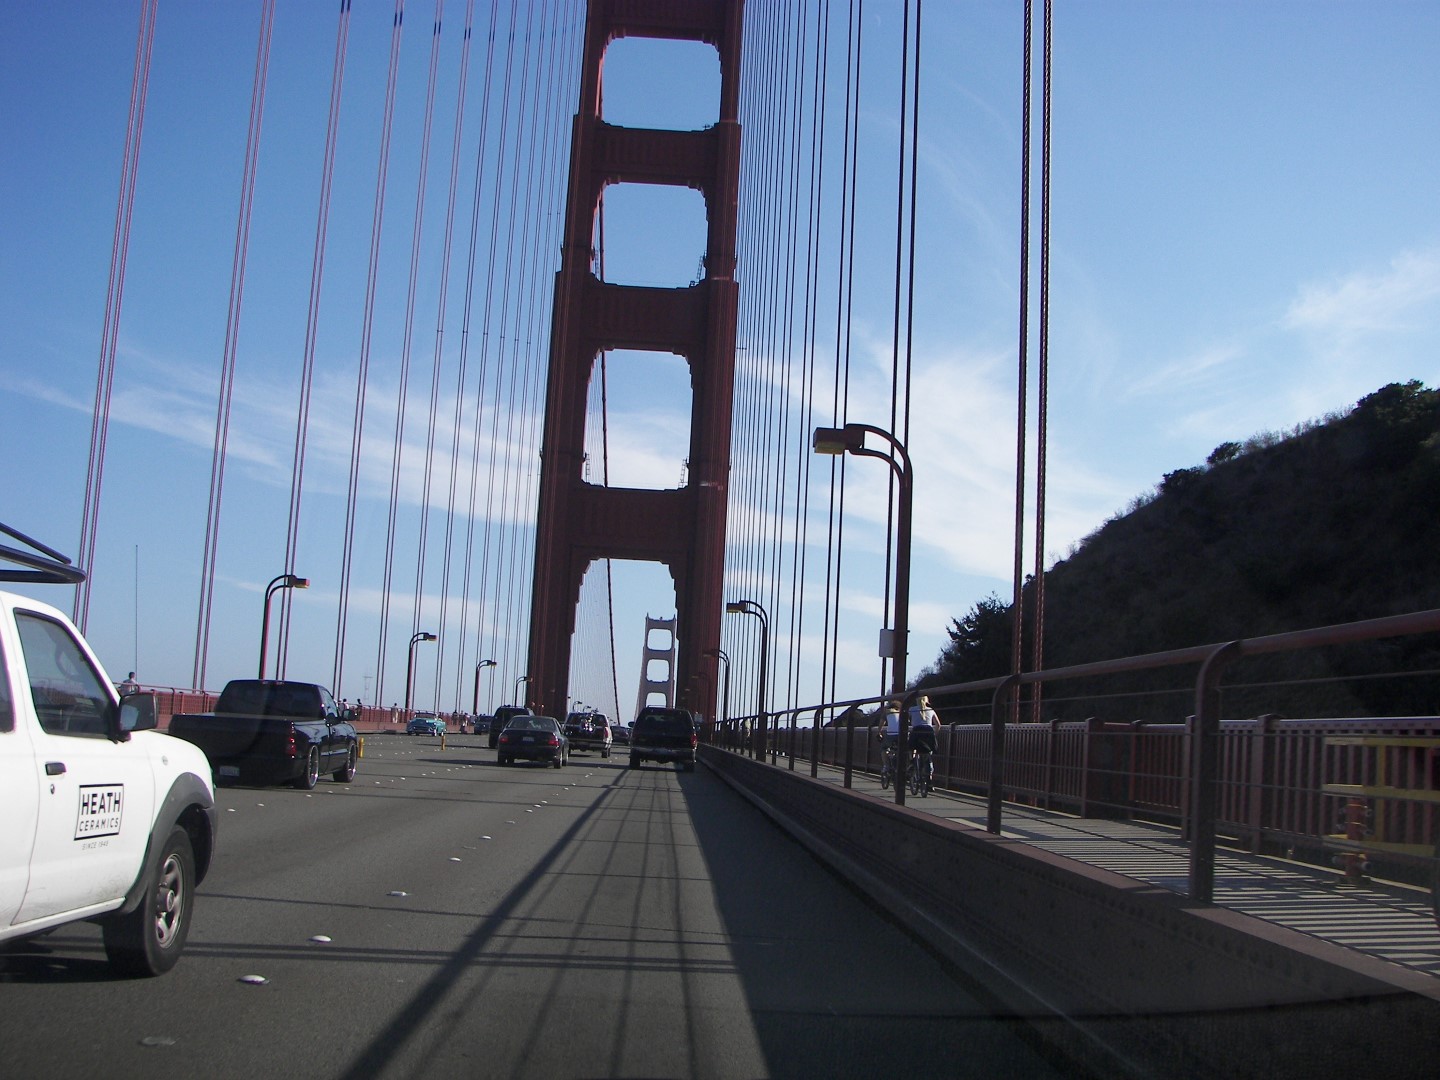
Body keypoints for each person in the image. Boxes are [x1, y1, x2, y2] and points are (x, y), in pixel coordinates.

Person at [907, 694, 939, 783]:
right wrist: (934, 735)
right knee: (928, 753)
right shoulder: (931, 710)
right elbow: (938, 725)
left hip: (916, 730)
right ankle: (929, 778)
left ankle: (912, 762)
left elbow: (906, 720)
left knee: (911, 747)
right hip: (928, 732)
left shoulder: (912, 709)